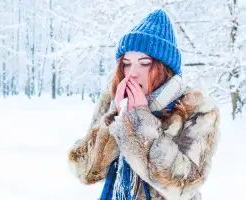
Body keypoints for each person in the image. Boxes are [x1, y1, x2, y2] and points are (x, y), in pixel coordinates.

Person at [67, 9, 220, 200]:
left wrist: (140, 120)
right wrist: (115, 118)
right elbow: (85, 171)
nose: (132, 72)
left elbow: (185, 185)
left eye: (144, 62)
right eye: (127, 63)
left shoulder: (197, 109)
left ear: (164, 67)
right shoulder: (113, 101)